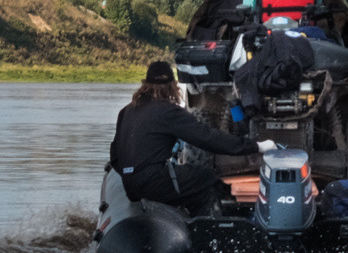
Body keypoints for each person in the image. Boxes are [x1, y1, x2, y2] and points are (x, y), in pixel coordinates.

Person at [110, 61, 264, 213]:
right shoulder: (168, 111)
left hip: (130, 187)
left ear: (145, 84)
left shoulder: (126, 111)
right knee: (208, 178)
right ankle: (214, 228)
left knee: (189, 177)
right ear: (172, 86)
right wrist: (256, 146)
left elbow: (115, 157)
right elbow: (207, 138)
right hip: (153, 183)